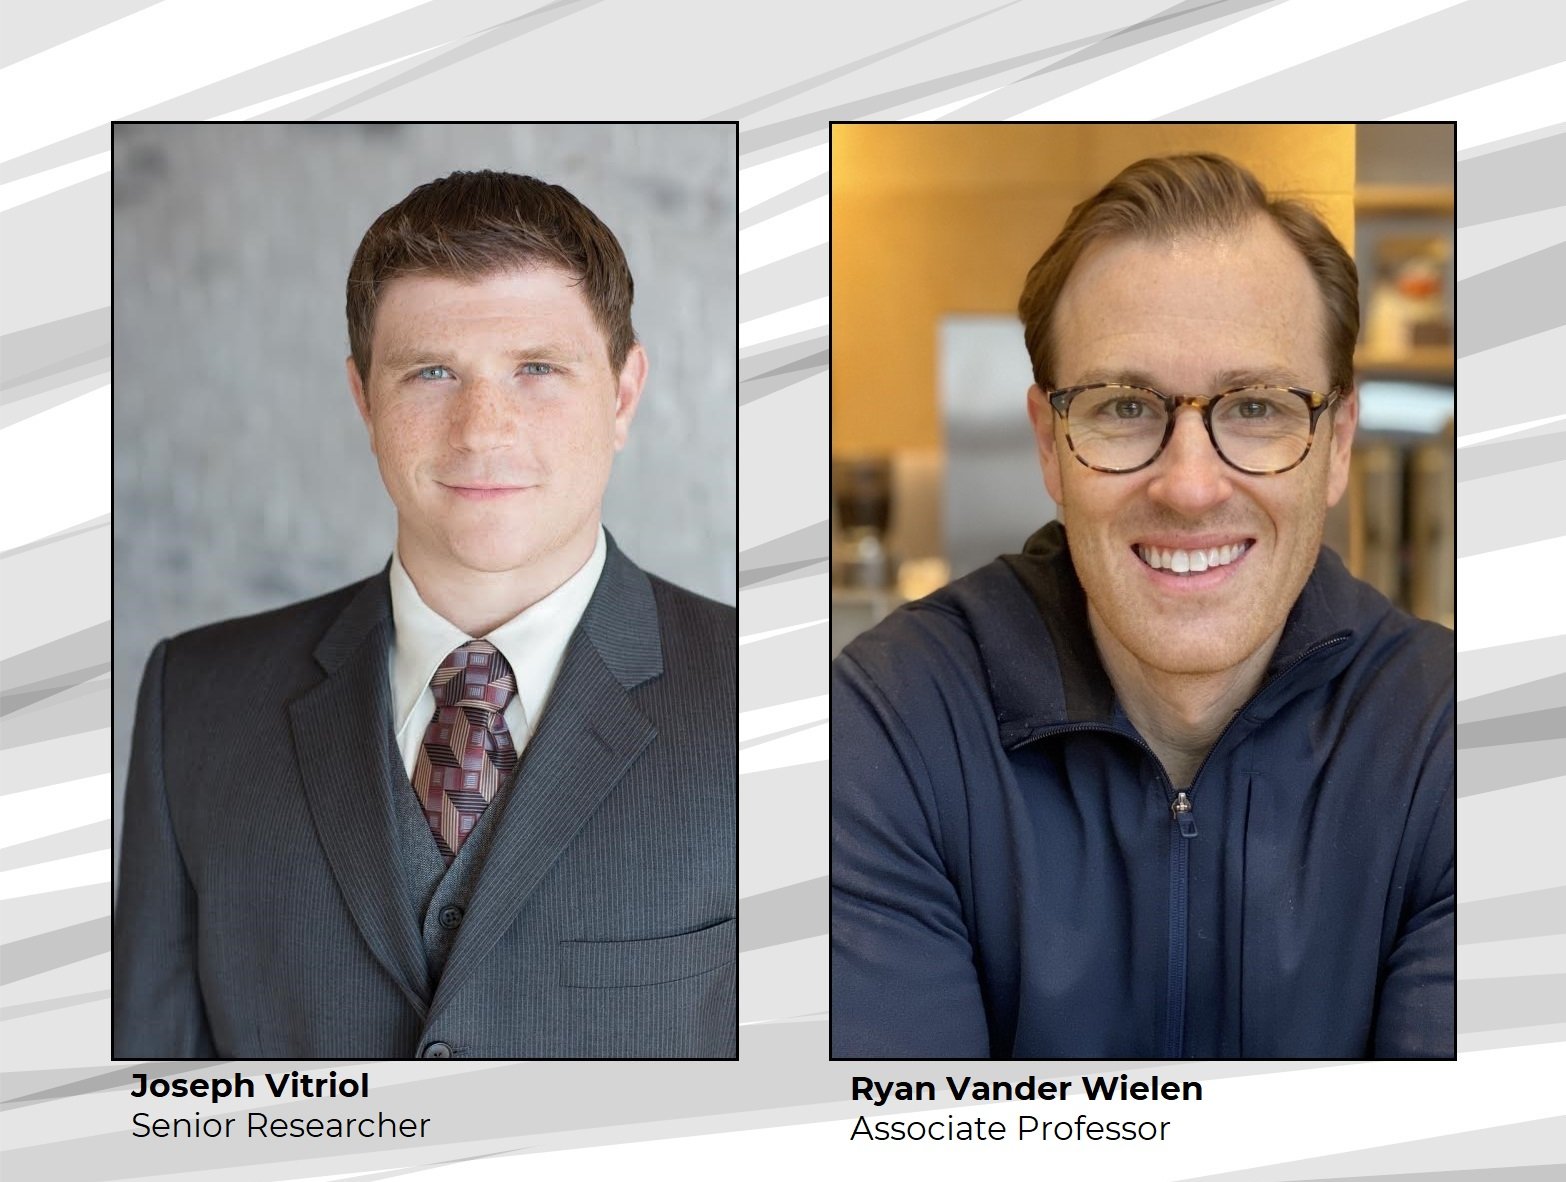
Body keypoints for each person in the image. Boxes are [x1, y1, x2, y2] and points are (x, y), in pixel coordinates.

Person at [831, 154, 1454, 1059]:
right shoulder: (891, 726)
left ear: (1338, 443)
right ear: (1050, 445)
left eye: (1256, 407)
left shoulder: (1453, 741)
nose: (1191, 486)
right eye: (1125, 406)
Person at [114, 170, 736, 1059]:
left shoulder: (774, 701)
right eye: (432, 372)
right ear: (365, 399)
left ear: (624, 394)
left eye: (537, 369)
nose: (482, 430)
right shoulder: (196, 700)